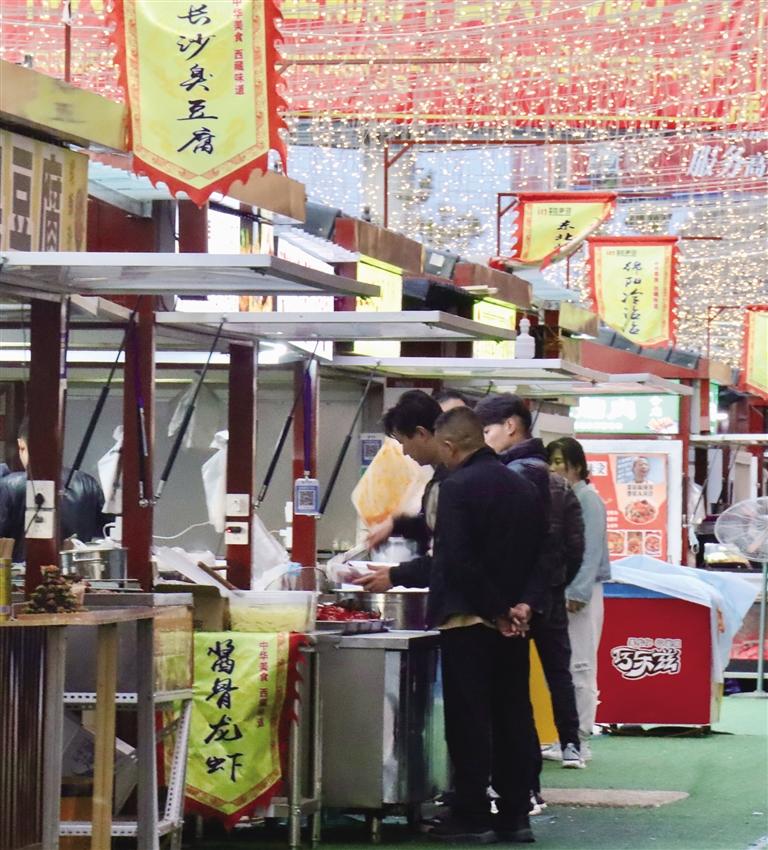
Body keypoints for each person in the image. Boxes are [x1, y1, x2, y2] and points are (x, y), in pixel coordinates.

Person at [426, 407, 545, 843]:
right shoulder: (523, 484)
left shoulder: (456, 487)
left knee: (469, 719)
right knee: (513, 714)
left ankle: (472, 813)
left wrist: (495, 610)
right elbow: (543, 554)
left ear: (449, 446)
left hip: (469, 619)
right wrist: (523, 606)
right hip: (516, 622)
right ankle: (515, 814)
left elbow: (458, 560)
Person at [475, 393, 586, 786]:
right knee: (557, 673)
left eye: (486, 431)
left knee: (512, 691)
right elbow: (575, 547)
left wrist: (516, 597)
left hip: (511, 601)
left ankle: (520, 783)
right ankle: (570, 744)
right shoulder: (558, 484)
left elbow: (508, 547)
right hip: (548, 595)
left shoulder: (505, 478)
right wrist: (554, 584)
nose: (483, 440)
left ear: (510, 426)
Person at [546, 437, 611, 761]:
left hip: (581, 593)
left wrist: (578, 592)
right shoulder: (567, 498)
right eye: (551, 462)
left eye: (560, 462)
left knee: (581, 665)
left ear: (577, 465)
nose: (555, 468)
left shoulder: (589, 499)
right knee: (569, 665)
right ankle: (568, 739)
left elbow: (591, 552)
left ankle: (580, 739)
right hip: (566, 591)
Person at [358, 390, 447, 592]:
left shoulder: (453, 483)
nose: (405, 452)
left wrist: (395, 576)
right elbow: (435, 527)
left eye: (403, 442)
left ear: (421, 434)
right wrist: (395, 524)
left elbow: (449, 556)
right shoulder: (441, 478)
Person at [0, 419, 109, 562]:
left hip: (23, 573)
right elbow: (106, 533)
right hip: (75, 571)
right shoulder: (88, 483)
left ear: (21, 445)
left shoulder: (8, 485)